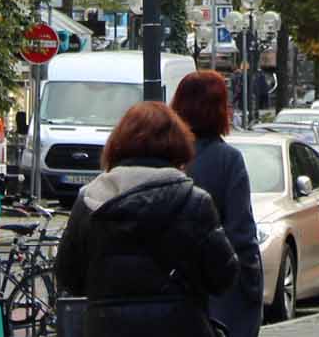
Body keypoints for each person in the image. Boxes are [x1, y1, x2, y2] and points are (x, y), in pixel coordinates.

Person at [54, 100, 238, 335]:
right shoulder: (194, 201)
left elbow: (70, 277)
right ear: (178, 146)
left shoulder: (89, 200)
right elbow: (222, 276)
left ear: (117, 145)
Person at [172, 70, 263, 337]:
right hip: (219, 295)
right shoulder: (228, 160)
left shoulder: (168, 156)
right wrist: (251, 284)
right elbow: (241, 233)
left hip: (174, 291)